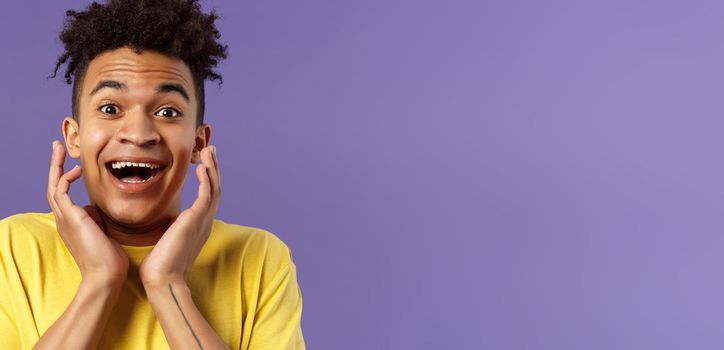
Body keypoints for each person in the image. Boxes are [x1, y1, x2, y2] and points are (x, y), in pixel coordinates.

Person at [0, 0, 305, 349]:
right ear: (74, 137)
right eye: (110, 108)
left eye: (167, 111)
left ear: (197, 143)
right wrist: (100, 282)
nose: (139, 132)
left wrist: (167, 284)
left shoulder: (258, 258)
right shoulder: (12, 249)